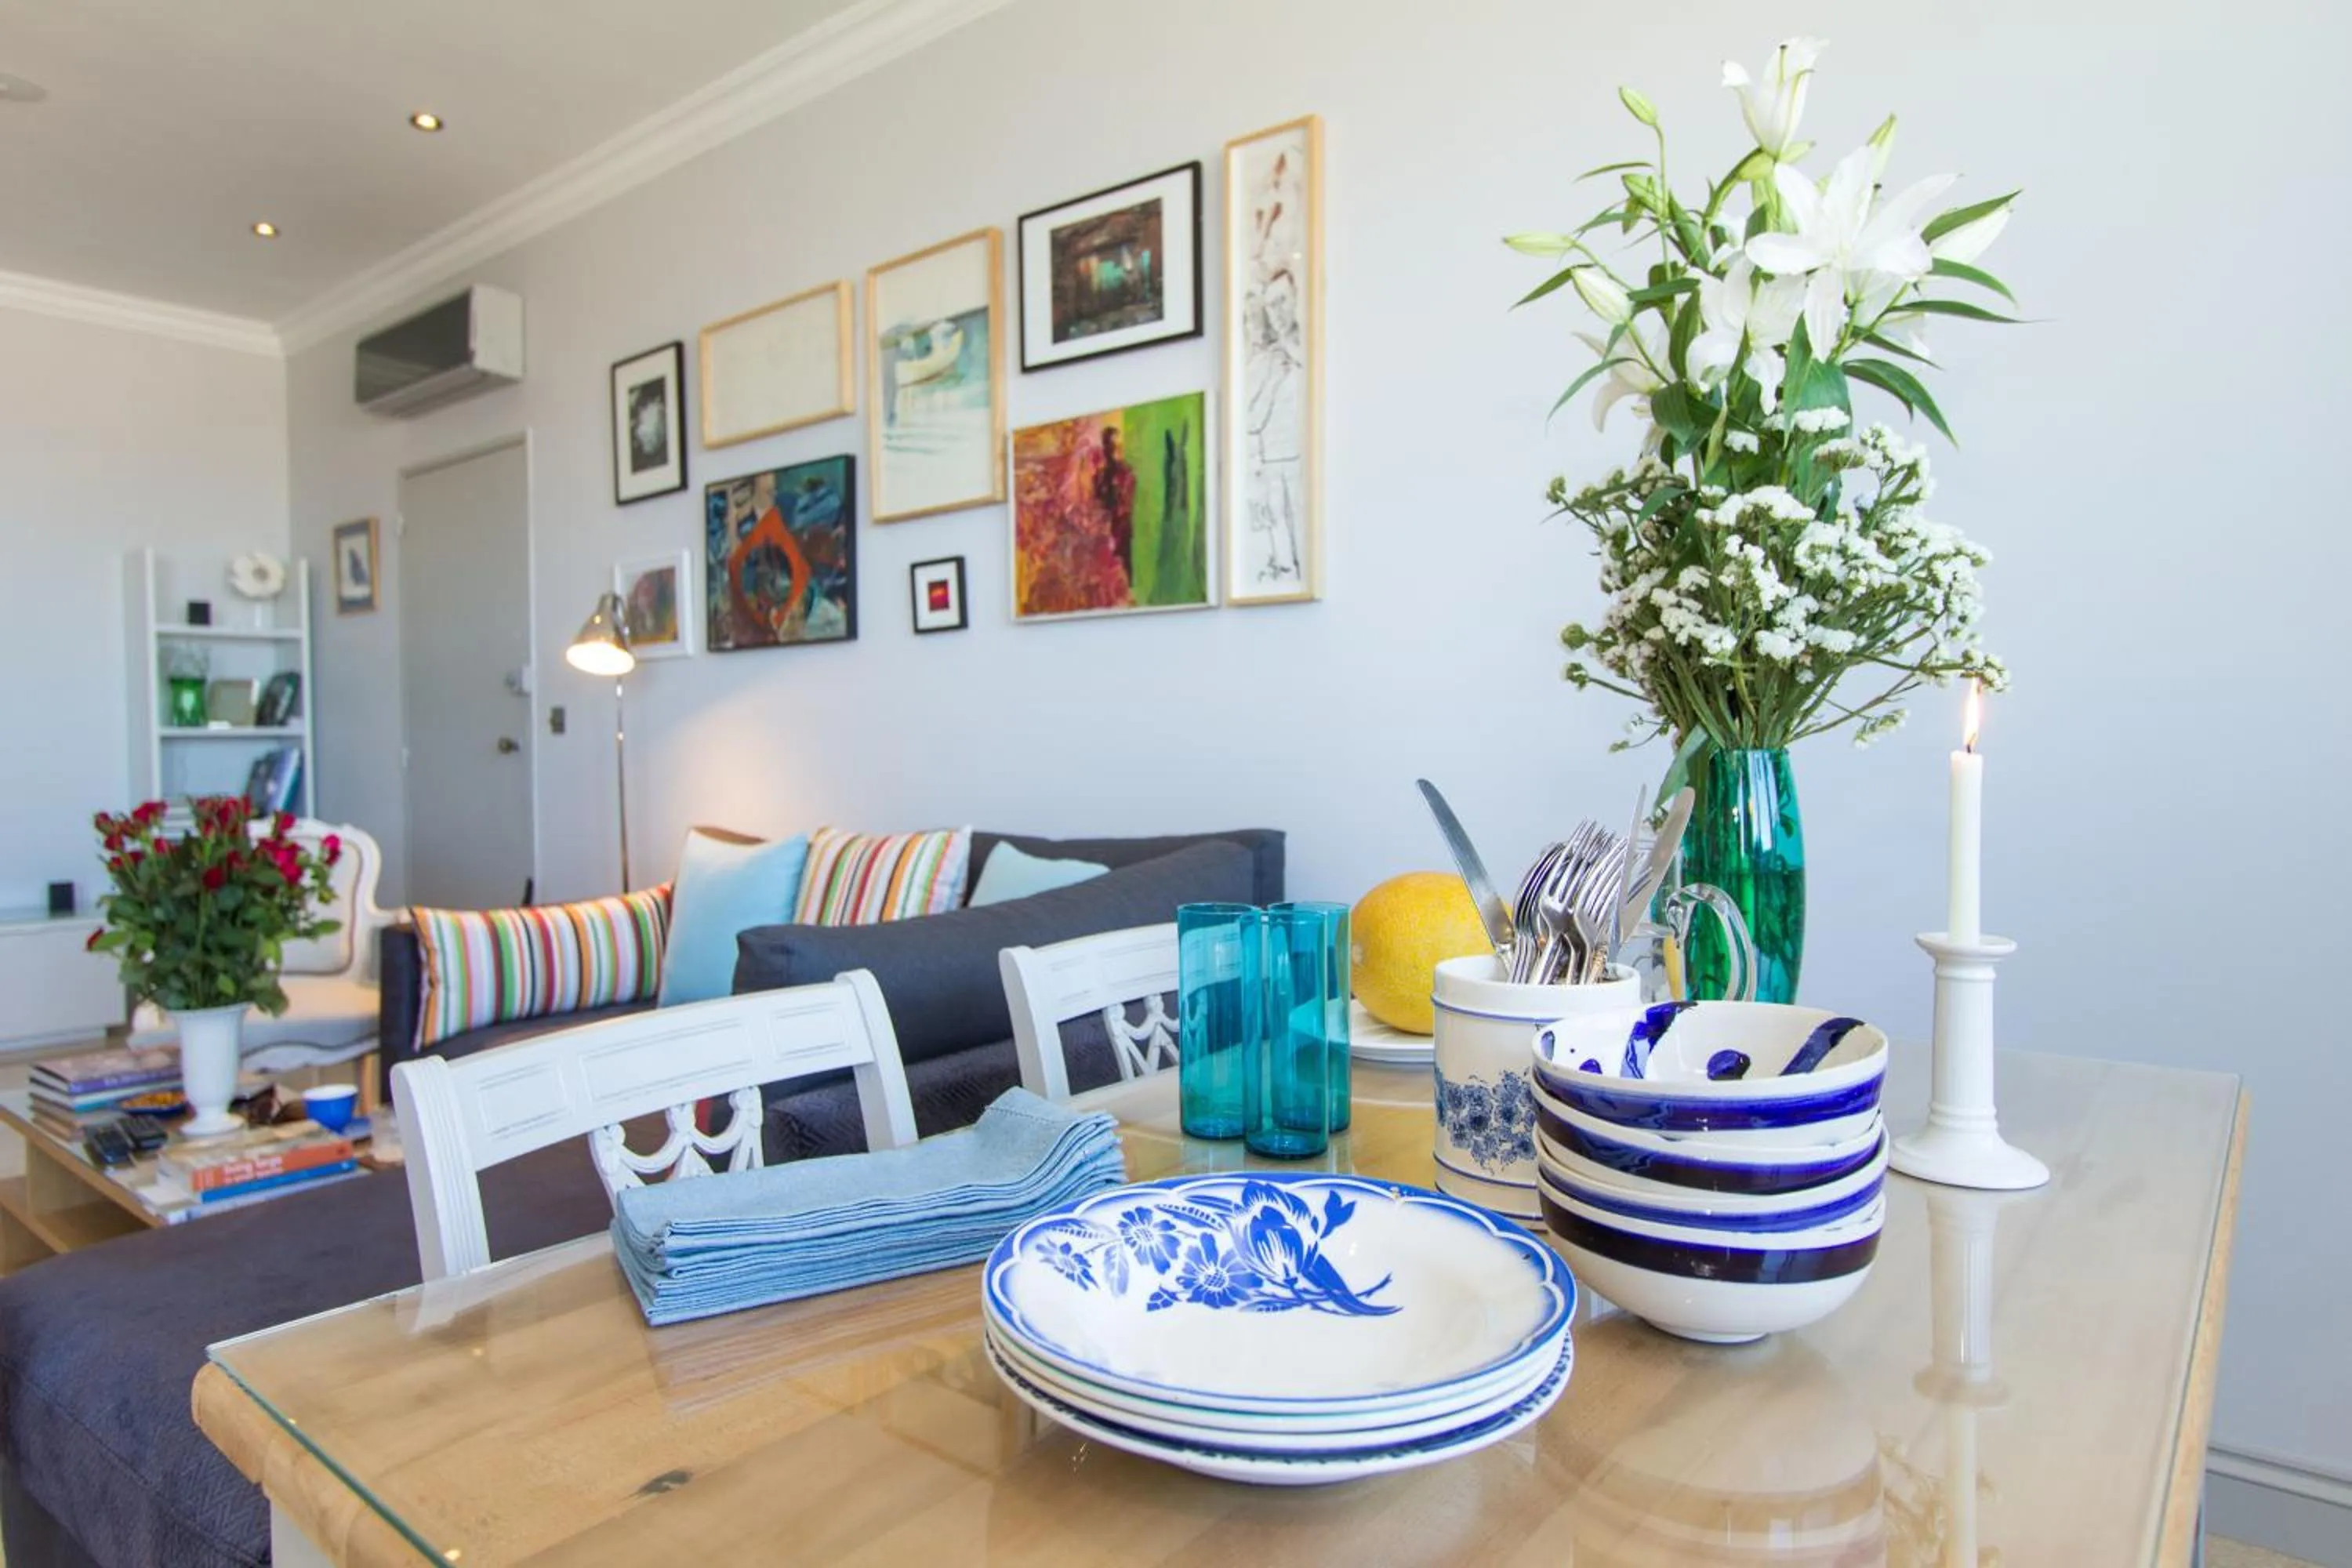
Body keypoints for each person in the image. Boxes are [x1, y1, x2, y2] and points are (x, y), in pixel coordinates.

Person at [1094, 425, 1136, 577]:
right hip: (1107, 528)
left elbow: (1128, 499)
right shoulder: (1100, 476)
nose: (1115, 450)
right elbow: (1098, 501)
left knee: (1124, 564)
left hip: (1122, 525)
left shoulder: (1126, 472)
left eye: (1118, 446)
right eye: (1111, 446)